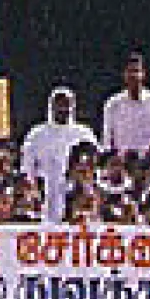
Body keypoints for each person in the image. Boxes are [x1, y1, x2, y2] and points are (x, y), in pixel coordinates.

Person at [21, 86, 98, 224]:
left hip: (77, 194)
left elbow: (93, 167)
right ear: (51, 106)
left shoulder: (84, 134)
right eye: (59, 104)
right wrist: (33, 192)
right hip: (46, 191)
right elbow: (27, 169)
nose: (63, 108)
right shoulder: (36, 135)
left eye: (66, 104)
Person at [101, 52, 150, 156]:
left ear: (143, 74)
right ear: (124, 75)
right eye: (130, 72)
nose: (133, 76)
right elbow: (107, 140)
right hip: (123, 163)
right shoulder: (112, 104)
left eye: (136, 71)